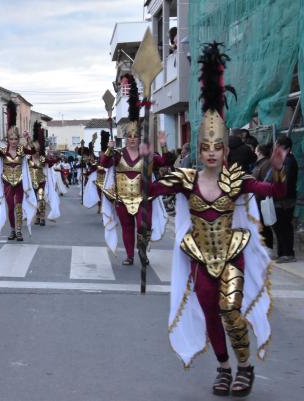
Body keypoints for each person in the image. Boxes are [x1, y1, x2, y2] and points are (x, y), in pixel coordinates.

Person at [148, 42, 287, 397]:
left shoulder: (236, 180)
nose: (211, 153)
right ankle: (224, 368)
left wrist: (277, 172)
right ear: (200, 148)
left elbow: (275, 193)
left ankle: (245, 368)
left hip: (231, 254)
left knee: (230, 309)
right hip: (199, 257)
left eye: (217, 147)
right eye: (205, 148)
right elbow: (150, 188)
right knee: (210, 311)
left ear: (225, 149)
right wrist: (154, 155)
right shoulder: (186, 178)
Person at [99, 73, 172, 266]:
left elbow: (165, 162)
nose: (132, 138)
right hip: (122, 198)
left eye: (135, 135)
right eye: (129, 135)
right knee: (127, 227)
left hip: (142, 198)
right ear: (126, 136)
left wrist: (163, 144)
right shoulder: (117, 153)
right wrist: (108, 147)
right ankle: (130, 255)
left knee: (142, 226)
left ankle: (142, 251)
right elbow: (104, 164)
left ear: (139, 137)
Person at [0, 100, 35, 241]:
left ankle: (19, 231)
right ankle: (12, 229)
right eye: (11, 138)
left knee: (18, 206)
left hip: (19, 182)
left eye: (16, 138)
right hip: (6, 182)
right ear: (8, 139)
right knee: (10, 207)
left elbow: (33, 151)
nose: (13, 141)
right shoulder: (1, 151)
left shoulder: (21, 150)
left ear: (18, 139)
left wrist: (29, 139)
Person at [272, 134, 298, 263]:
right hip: (282, 196)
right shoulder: (284, 159)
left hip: (285, 198)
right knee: (279, 225)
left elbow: (284, 179)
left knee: (284, 225)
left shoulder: (288, 160)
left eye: (277, 145)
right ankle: (282, 252)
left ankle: (287, 253)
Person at [251, 143, 274, 249]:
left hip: (262, 197)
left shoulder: (266, 164)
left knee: (264, 224)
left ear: (259, 152)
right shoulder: (259, 164)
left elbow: (265, 181)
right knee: (260, 223)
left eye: (256, 150)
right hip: (257, 197)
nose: (254, 152)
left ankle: (267, 246)